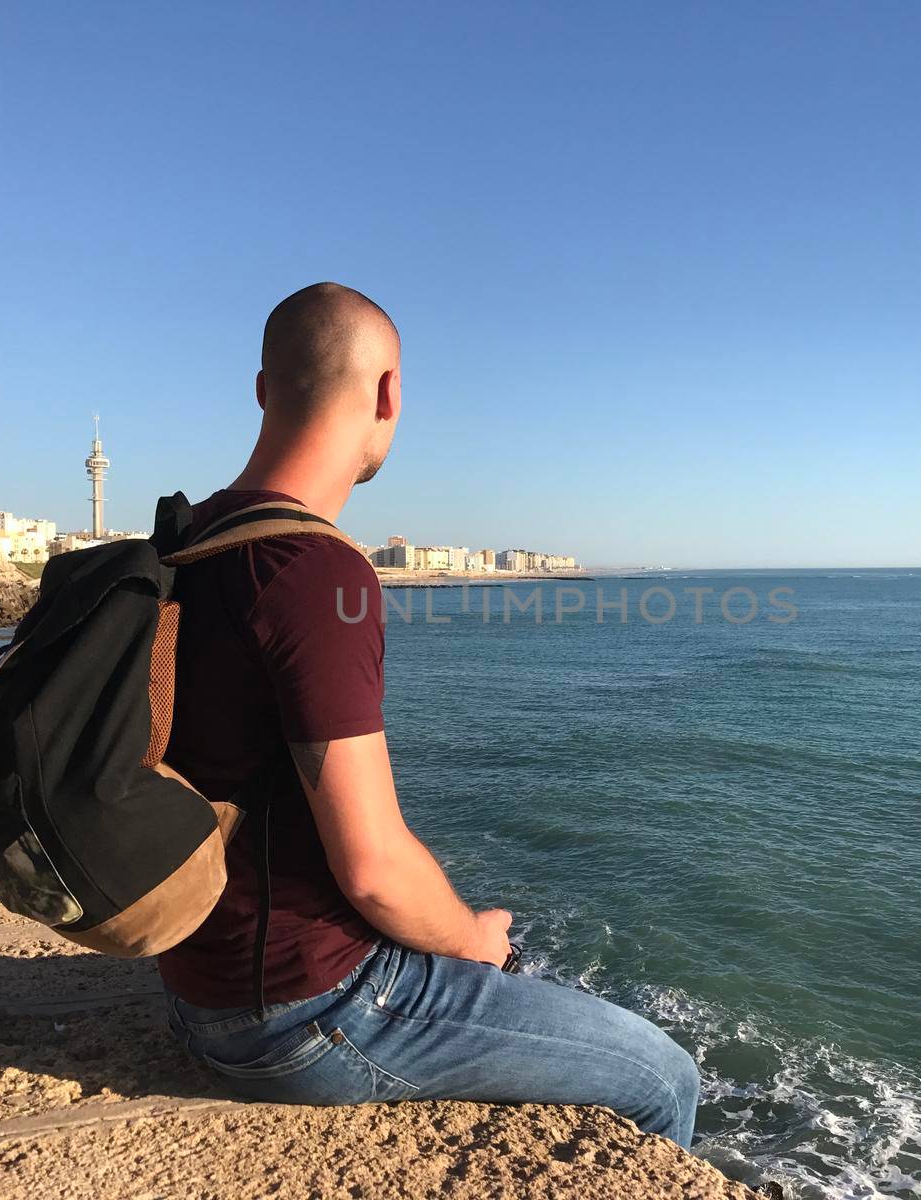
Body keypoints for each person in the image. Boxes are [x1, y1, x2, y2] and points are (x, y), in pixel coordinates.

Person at [158, 283, 700, 1147]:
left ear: (263, 389)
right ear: (388, 395)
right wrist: (473, 941)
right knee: (663, 1074)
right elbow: (372, 867)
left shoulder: (184, 541)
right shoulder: (313, 572)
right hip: (306, 1015)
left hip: (197, 984)